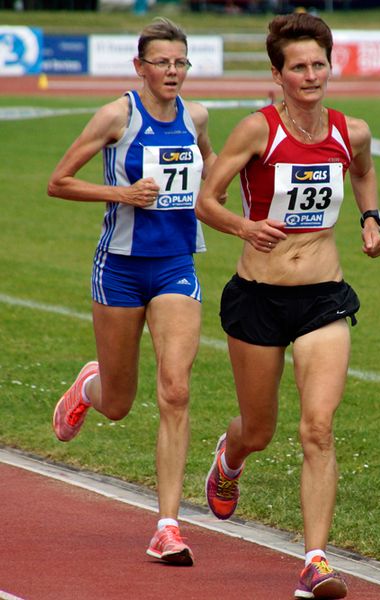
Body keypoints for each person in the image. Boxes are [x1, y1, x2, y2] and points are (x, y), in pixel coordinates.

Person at [195, 12, 380, 599]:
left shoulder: (350, 130)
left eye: (318, 64)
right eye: (297, 66)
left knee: (318, 429)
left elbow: (365, 171)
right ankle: (230, 457)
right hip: (258, 297)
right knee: (260, 429)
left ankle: (315, 561)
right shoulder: (258, 130)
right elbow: (207, 198)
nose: (310, 75)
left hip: (323, 296)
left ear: (331, 66)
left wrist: (371, 218)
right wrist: (245, 228)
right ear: (277, 74)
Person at [48, 17, 217, 567]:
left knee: (176, 389)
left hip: (176, 266)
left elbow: (211, 164)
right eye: (162, 62)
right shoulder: (117, 115)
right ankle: (90, 383)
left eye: (180, 62)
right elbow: (60, 181)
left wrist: (238, 199)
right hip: (119, 268)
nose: (172, 71)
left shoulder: (197, 116)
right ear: (139, 66)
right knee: (119, 404)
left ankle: (167, 525)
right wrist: (122, 193)